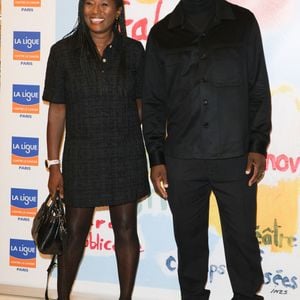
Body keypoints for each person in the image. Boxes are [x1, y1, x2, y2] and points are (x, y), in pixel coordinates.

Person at [142, 0, 271, 299]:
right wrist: (156, 157)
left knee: (242, 242)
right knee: (189, 243)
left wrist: (257, 145)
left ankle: (247, 295)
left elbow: (258, 89)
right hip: (182, 159)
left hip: (235, 156)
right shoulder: (162, 34)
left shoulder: (243, 23)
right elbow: (152, 103)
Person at [43, 0, 150, 299]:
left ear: (117, 11)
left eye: (105, 4)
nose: (96, 11)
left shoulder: (133, 52)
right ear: (81, 8)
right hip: (82, 155)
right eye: (89, 3)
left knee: (126, 229)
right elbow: (57, 112)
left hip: (125, 153)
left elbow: (143, 105)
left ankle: (125, 297)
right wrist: (54, 165)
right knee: (75, 231)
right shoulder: (62, 53)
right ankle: (63, 297)